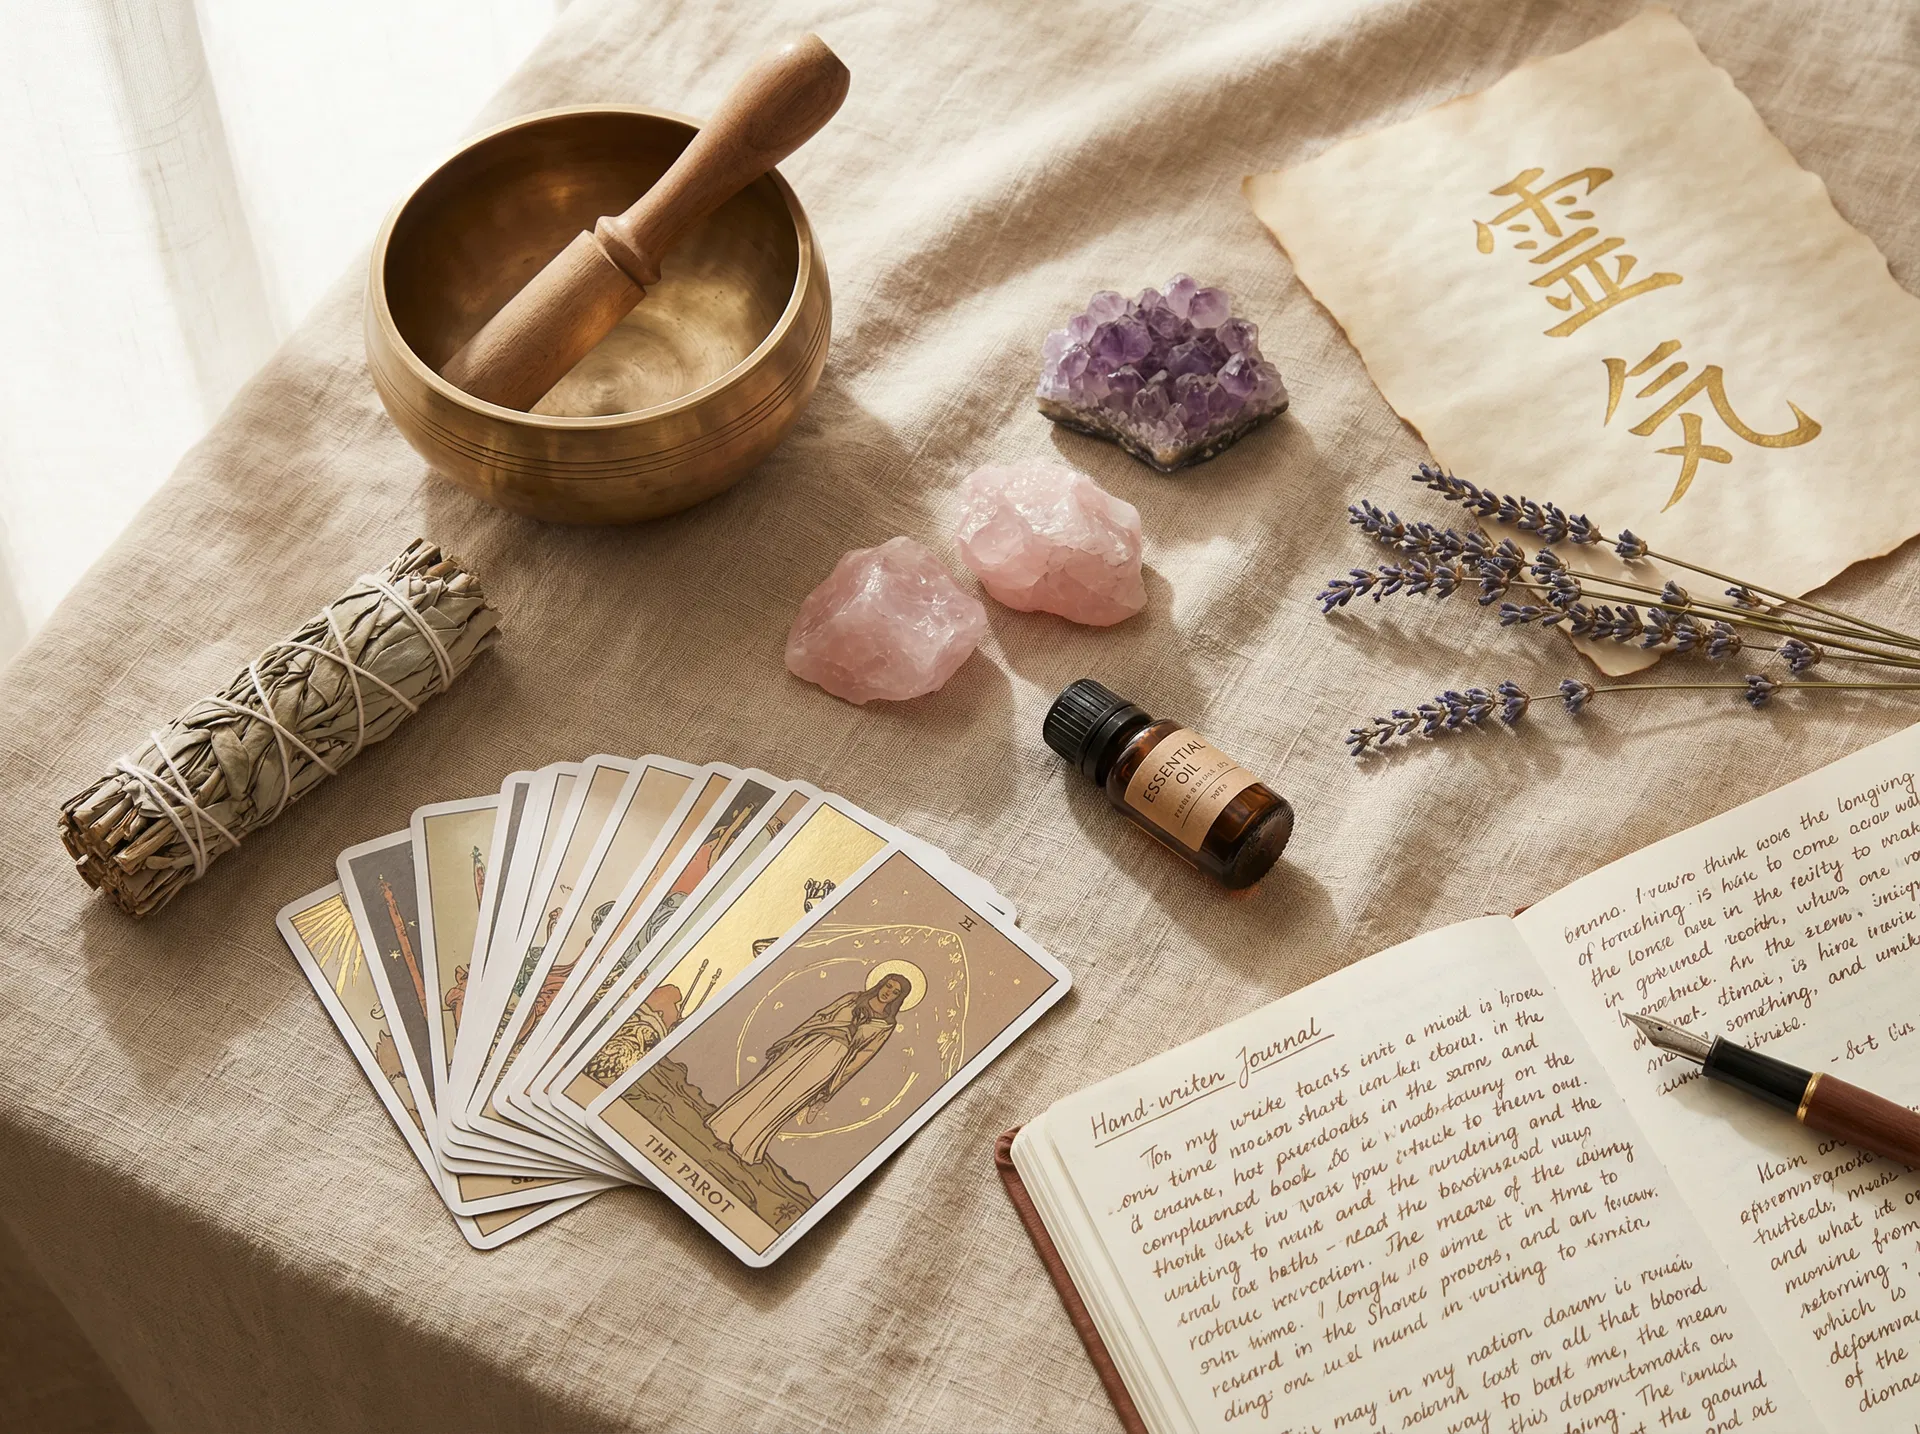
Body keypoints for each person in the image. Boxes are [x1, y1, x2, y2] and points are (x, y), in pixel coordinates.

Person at [707, 971, 911, 1164]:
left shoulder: (885, 1024)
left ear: (898, 998)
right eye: (888, 986)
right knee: (767, 1084)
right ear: (880, 984)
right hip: (808, 1045)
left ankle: (746, 1144)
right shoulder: (852, 998)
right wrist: (790, 1039)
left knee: (788, 1100)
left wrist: (834, 1085)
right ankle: (724, 1127)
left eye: (895, 992)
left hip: (832, 1060)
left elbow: (863, 1056)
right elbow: (819, 1017)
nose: (888, 992)